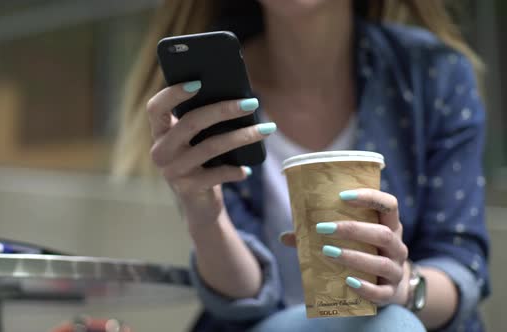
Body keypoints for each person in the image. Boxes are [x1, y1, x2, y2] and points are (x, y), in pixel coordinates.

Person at [113, 1, 490, 331]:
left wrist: (402, 286)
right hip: (267, 324)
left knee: (390, 322)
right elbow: (242, 298)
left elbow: (462, 266)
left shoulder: (433, 74)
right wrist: (204, 214)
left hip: (405, 320)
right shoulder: (207, 90)